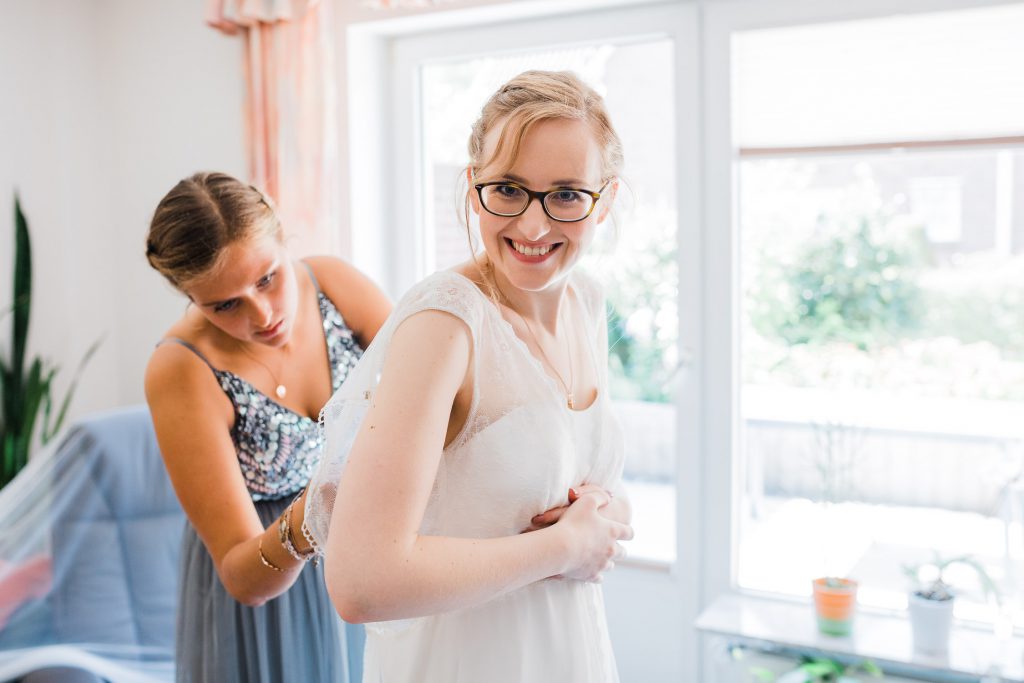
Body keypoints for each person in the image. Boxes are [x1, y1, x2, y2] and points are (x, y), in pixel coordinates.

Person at [305, 70, 634, 682]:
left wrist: (604, 510)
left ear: (605, 199)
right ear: (471, 184)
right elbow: (361, 583)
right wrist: (565, 547)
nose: (532, 228)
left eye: (566, 195)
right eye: (507, 189)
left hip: (565, 650)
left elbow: (567, 475)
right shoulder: (445, 325)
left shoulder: (586, 302)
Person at [143, 172, 391, 683]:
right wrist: (313, 516)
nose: (262, 315)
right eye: (225, 305)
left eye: (267, 278)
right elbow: (243, 579)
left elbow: (438, 394)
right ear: (188, 296)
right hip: (274, 592)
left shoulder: (336, 287)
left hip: (368, 556)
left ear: (282, 237)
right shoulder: (182, 369)